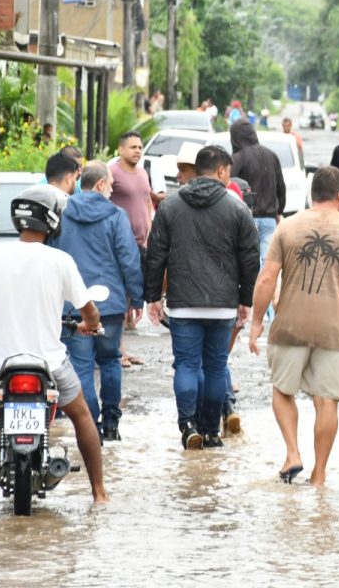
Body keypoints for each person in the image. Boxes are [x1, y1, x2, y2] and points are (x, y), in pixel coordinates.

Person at [0, 186, 108, 505]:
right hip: (50, 363)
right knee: (83, 417)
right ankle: (99, 493)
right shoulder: (60, 260)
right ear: (51, 222)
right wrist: (90, 325)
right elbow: (90, 311)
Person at [247, 166, 339, 486]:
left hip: (289, 327)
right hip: (334, 331)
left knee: (282, 389)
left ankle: (292, 453)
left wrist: (255, 322)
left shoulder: (287, 227)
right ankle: (319, 475)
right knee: (327, 400)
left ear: (311, 194)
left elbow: (266, 278)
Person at [145, 146, 260, 450]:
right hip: (222, 305)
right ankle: (210, 432)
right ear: (221, 171)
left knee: (185, 364)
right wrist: (246, 300)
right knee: (215, 367)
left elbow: (155, 254)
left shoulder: (170, 206)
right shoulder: (237, 209)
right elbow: (250, 259)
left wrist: (153, 297)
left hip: (183, 304)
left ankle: (188, 427)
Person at [54, 161, 145, 441]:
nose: (112, 192)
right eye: (111, 186)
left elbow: (53, 256)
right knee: (110, 361)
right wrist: (137, 298)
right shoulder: (116, 216)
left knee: (80, 365)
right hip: (110, 305)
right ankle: (111, 424)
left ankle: (89, 425)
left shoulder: (63, 215)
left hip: (75, 306)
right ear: (101, 184)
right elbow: (129, 259)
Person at [230, 120, 287, 319]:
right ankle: (269, 310)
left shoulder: (238, 158)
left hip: (247, 218)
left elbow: (228, 186)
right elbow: (281, 186)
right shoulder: (271, 155)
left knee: (247, 262)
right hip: (270, 218)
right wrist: (279, 210)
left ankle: (248, 305)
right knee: (268, 265)